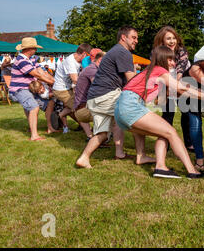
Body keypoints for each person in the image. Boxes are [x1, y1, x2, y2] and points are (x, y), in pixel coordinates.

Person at [115, 46, 204, 178]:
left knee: (163, 132)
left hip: (120, 110)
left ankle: (143, 158)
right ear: (162, 58)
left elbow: (171, 92)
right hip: (131, 106)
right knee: (171, 132)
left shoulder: (148, 71)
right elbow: (181, 88)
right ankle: (191, 171)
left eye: (174, 60)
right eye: (170, 59)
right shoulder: (160, 70)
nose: (173, 63)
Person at [76, 26, 141, 169]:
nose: (137, 41)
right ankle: (141, 156)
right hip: (106, 95)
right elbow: (132, 80)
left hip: (96, 97)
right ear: (123, 37)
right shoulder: (123, 52)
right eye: (134, 37)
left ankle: (85, 158)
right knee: (135, 117)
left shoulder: (115, 51)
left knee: (103, 133)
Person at [153, 26, 193, 152]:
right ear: (162, 41)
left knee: (186, 114)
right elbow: (157, 70)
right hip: (165, 84)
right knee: (168, 115)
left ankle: (188, 142)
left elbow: (180, 69)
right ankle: (166, 142)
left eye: (173, 38)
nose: (172, 41)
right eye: (168, 38)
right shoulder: (157, 52)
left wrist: (176, 85)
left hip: (182, 82)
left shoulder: (182, 51)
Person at [9, 37, 58, 140]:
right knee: (33, 107)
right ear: (29, 48)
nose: (36, 50)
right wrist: (53, 84)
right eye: (35, 48)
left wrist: (54, 81)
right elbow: (37, 75)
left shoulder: (32, 59)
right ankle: (34, 136)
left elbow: (42, 72)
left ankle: (50, 128)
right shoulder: (20, 60)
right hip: (19, 90)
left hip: (30, 89)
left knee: (50, 103)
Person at [53, 43, 91, 133]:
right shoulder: (70, 61)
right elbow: (75, 79)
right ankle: (90, 134)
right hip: (61, 90)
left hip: (67, 88)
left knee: (75, 105)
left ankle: (60, 115)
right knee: (79, 107)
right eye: (88, 56)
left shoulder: (79, 61)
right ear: (84, 54)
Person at [73, 48, 105, 140]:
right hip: (83, 109)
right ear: (100, 60)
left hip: (80, 106)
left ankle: (93, 136)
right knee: (113, 113)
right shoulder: (93, 70)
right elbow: (98, 86)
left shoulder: (90, 67)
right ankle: (100, 138)